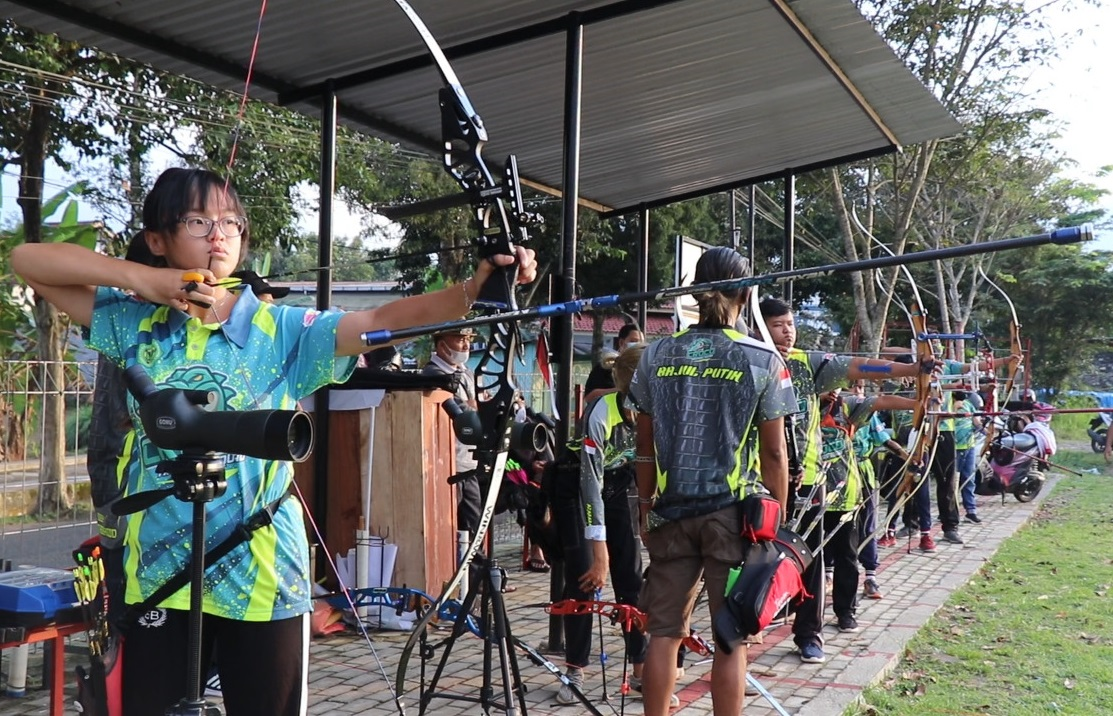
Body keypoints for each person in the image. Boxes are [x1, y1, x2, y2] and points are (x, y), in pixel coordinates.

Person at [11, 166, 536, 716]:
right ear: (158, 240)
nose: (219, 233)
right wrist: (146, 282)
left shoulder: (283, 329)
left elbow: (382, 318)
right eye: (198, 220)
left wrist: (474, 290)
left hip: (261, 571)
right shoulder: (135, 322)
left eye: (230, 222)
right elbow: (29, 263)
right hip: (160, 573)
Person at [628, 247, 795, 716]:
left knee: (663, 635)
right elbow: (775, 452)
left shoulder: (655, 354)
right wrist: (777, 525)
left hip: (669, 512)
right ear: (746, 293)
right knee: (730, 635)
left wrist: (645, 506)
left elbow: (645, 446)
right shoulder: (761, 357)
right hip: (734, 517)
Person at [759, 296, 936, 664]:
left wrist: (911, 371)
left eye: (790, 323)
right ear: (760, 328)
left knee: (812, 562)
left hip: (805, 486)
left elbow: (859, 367)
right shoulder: (747, 361)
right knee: (753, 561)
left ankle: (809, 633)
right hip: (753, 484)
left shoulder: (807, 364)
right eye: (777, 324)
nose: (787, 330)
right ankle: (748, 622)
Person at [554, 344, 656, 704]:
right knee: (586, 574)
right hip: (576, 486)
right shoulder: (601, 410)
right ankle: (575, 668)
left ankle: (642, 668)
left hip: (619, 484)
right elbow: (589, 484)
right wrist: (599, 551)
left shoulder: (654, 409)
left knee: (630, 574)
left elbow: (655, 470)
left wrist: (653, 525)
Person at [422, 326, 483, 539]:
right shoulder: (434, 374)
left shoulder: (466, 373)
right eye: (459, 339)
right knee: (448, 528)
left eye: (468, 339)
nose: (466, 344)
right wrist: (474, 406)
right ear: (441, 345)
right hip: (447, 464)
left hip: (468, 461)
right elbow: (467, 413)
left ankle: (474, 571)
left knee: (473, 526)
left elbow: (478, 407)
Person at [584, 323, 644, 401]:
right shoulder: (606, 367)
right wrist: (621, 390)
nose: (638, 345)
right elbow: (590, 397)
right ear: (622, 343)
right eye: (634, 341)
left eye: (641, 342)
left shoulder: (645, 369)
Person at [953, 389, 983, 523]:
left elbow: (976, 422)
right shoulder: (947, 405)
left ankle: (971, 511)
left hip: (969, 446)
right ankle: (948, 510)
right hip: (953, 447)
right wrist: (954, 408)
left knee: (969, 479)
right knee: (951, 481)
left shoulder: (968, 405)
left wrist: (986, 430)